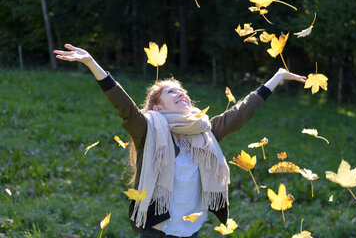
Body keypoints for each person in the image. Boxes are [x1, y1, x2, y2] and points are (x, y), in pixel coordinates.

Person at [54, 44, 306, 238]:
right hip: (158, 230)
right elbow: (125, 107)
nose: (182, 93)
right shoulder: (147, 129)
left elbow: (240, 114)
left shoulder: (204, 130)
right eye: (172, 91)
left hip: (191, 228)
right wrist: (91, 63)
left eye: (183, 91)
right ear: (156, 104)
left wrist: (277, 77)